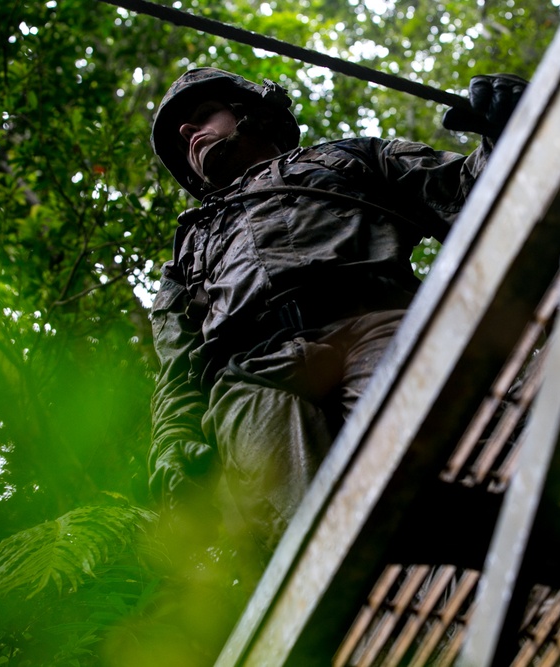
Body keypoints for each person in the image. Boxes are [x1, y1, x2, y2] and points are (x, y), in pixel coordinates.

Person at [147, 67, 526, 559]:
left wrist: (508, 130)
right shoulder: (185, 257)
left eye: (200, 115)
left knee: (440, 454)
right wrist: (173, 439)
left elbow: (470, 192)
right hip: (251, 377)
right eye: (181, 141)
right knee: (306, 541)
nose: (187, 134)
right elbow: (177, 371)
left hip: (372, 322)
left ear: (252, 112)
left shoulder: (348, 157)